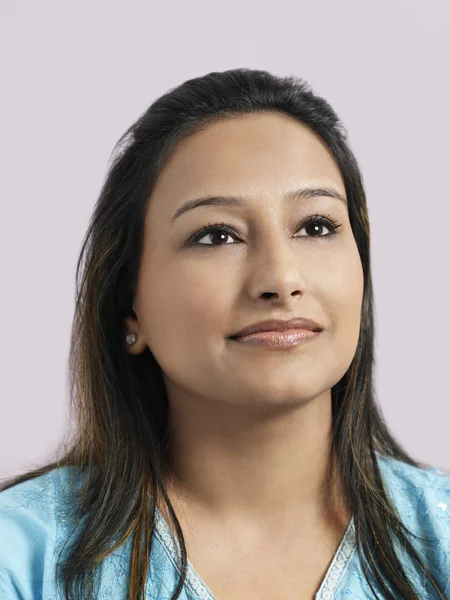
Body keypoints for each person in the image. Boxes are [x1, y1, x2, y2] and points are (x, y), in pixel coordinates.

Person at [0, 68, 449, 600]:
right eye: (216, 235)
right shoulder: (21, 560)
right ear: (129, 309)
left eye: (316, 226)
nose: (281, 279)